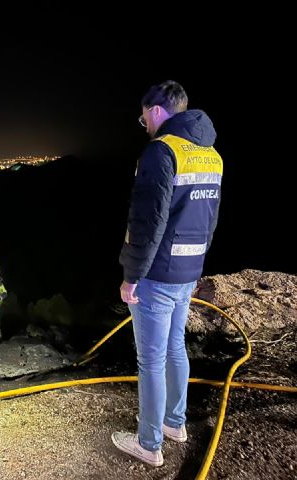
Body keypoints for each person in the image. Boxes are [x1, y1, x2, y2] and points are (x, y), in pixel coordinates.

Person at [112, 81, 223, 467]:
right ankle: (176, 424)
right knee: (175, 348)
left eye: (143, 115)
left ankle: (149, 443)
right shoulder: (211, 155)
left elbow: (148, 222)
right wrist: (195, 266)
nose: (142, 122)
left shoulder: (161, 151)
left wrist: (131, 276)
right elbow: (210, 222)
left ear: (156, 110)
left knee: (151, 360)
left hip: (157, 275)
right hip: (188, 271)